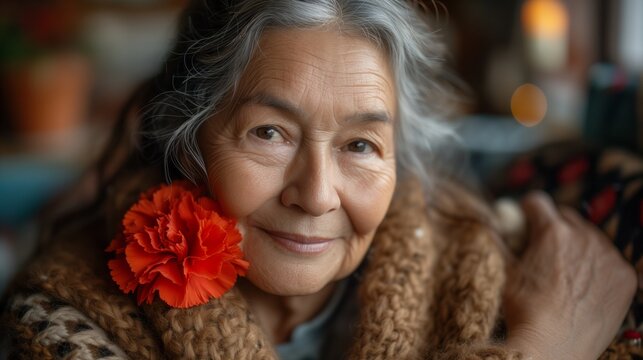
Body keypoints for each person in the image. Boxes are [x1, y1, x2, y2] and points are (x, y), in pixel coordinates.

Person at [1, 1, 636, 359]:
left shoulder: (484, 267)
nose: (317, 194)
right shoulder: (65, 321)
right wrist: (548, 347)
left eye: (362, 144)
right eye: (270, 133)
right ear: (189, 142)